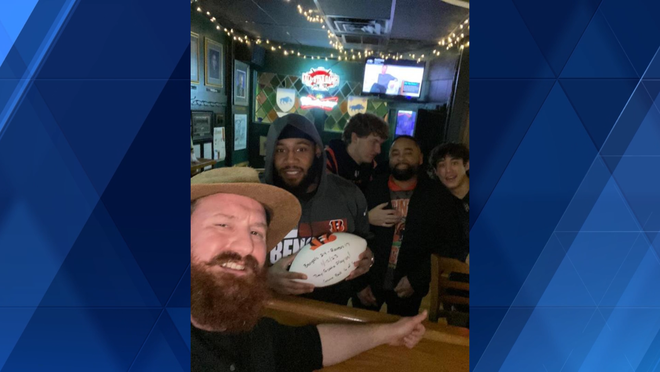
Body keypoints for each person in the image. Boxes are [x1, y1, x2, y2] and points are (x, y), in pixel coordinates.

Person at [191, 167, 427, 372]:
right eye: (222, 224)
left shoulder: (249, 330)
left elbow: (312, 346)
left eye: (256, 232)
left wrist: (388, 333)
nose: (246, 246)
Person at [263, 114, 374, 305]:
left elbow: (365, 240)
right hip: (271, 312)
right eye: (280, 150)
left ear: (316, 150)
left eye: (301, 149)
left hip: (331, 312)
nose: (290, 159)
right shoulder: (255, 200)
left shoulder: (348, 194)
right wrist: (264, 279)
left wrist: (368, 260)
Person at [353, 136, 461, 316]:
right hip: (370, 280)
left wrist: (417, 280)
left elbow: (446, 242)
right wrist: (359, 283)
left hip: (409, 285)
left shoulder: (437, 196)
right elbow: (355, 235)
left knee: (402, 338)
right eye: (395, 153)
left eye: (408, 152)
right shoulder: (372, 189)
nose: (401, 158)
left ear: (420, 158)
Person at [325, 112, 389, 194]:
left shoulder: (373, 167)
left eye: (380, 144)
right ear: (354, 138)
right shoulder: (328, 160)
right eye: (373, 142)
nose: (378, 150)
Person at [428, 142, 469, 262]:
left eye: (454, 163)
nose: (448, 170)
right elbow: (441, 243)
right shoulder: (438, 204)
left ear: (467, 165)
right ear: (435, 171)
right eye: (441, 165)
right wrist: (465, 256)